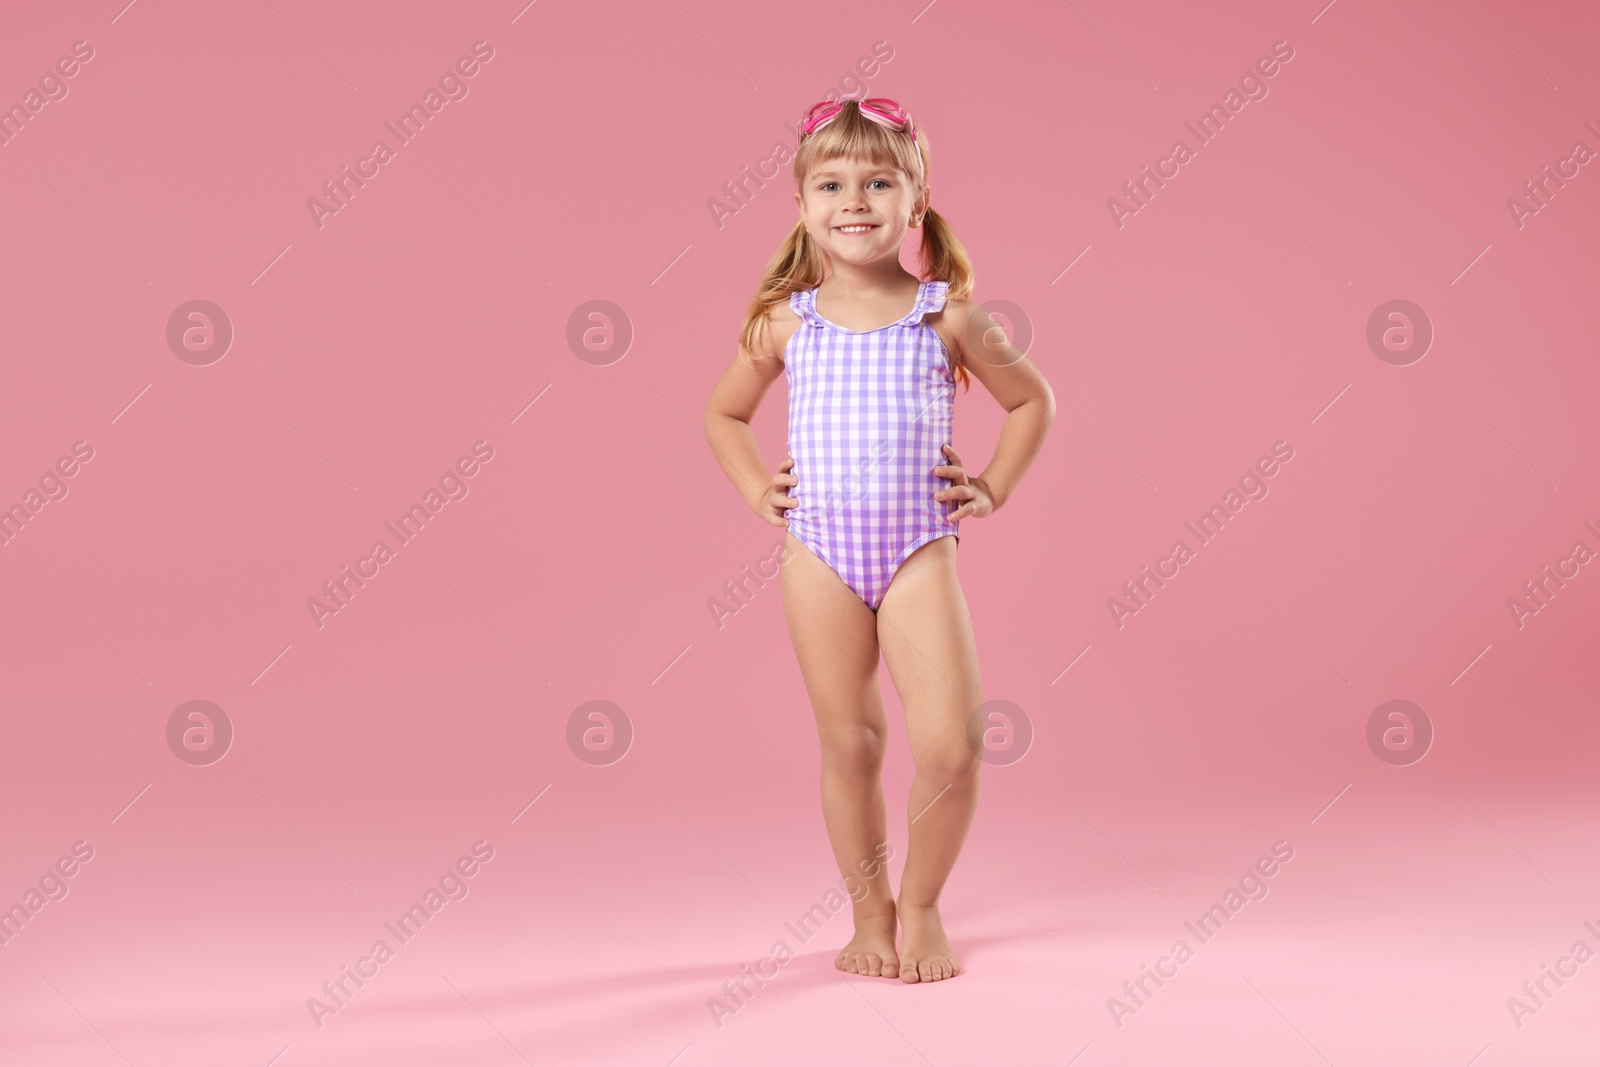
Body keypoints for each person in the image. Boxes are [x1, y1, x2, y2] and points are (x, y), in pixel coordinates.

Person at [703, 97, 1054, 983]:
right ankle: (871, 908)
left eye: (877, 181)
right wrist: (755, 484)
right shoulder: (786, 322)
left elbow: (1032, 402)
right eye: (830, 183)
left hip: (917, 554)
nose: (853, 200)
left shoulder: (951, 317)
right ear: (800, 203)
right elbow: (724, 412)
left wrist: (991, 485)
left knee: (950, 744)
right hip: (818, 553)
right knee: (851, 741)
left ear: (916, 198)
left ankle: (924, 902)